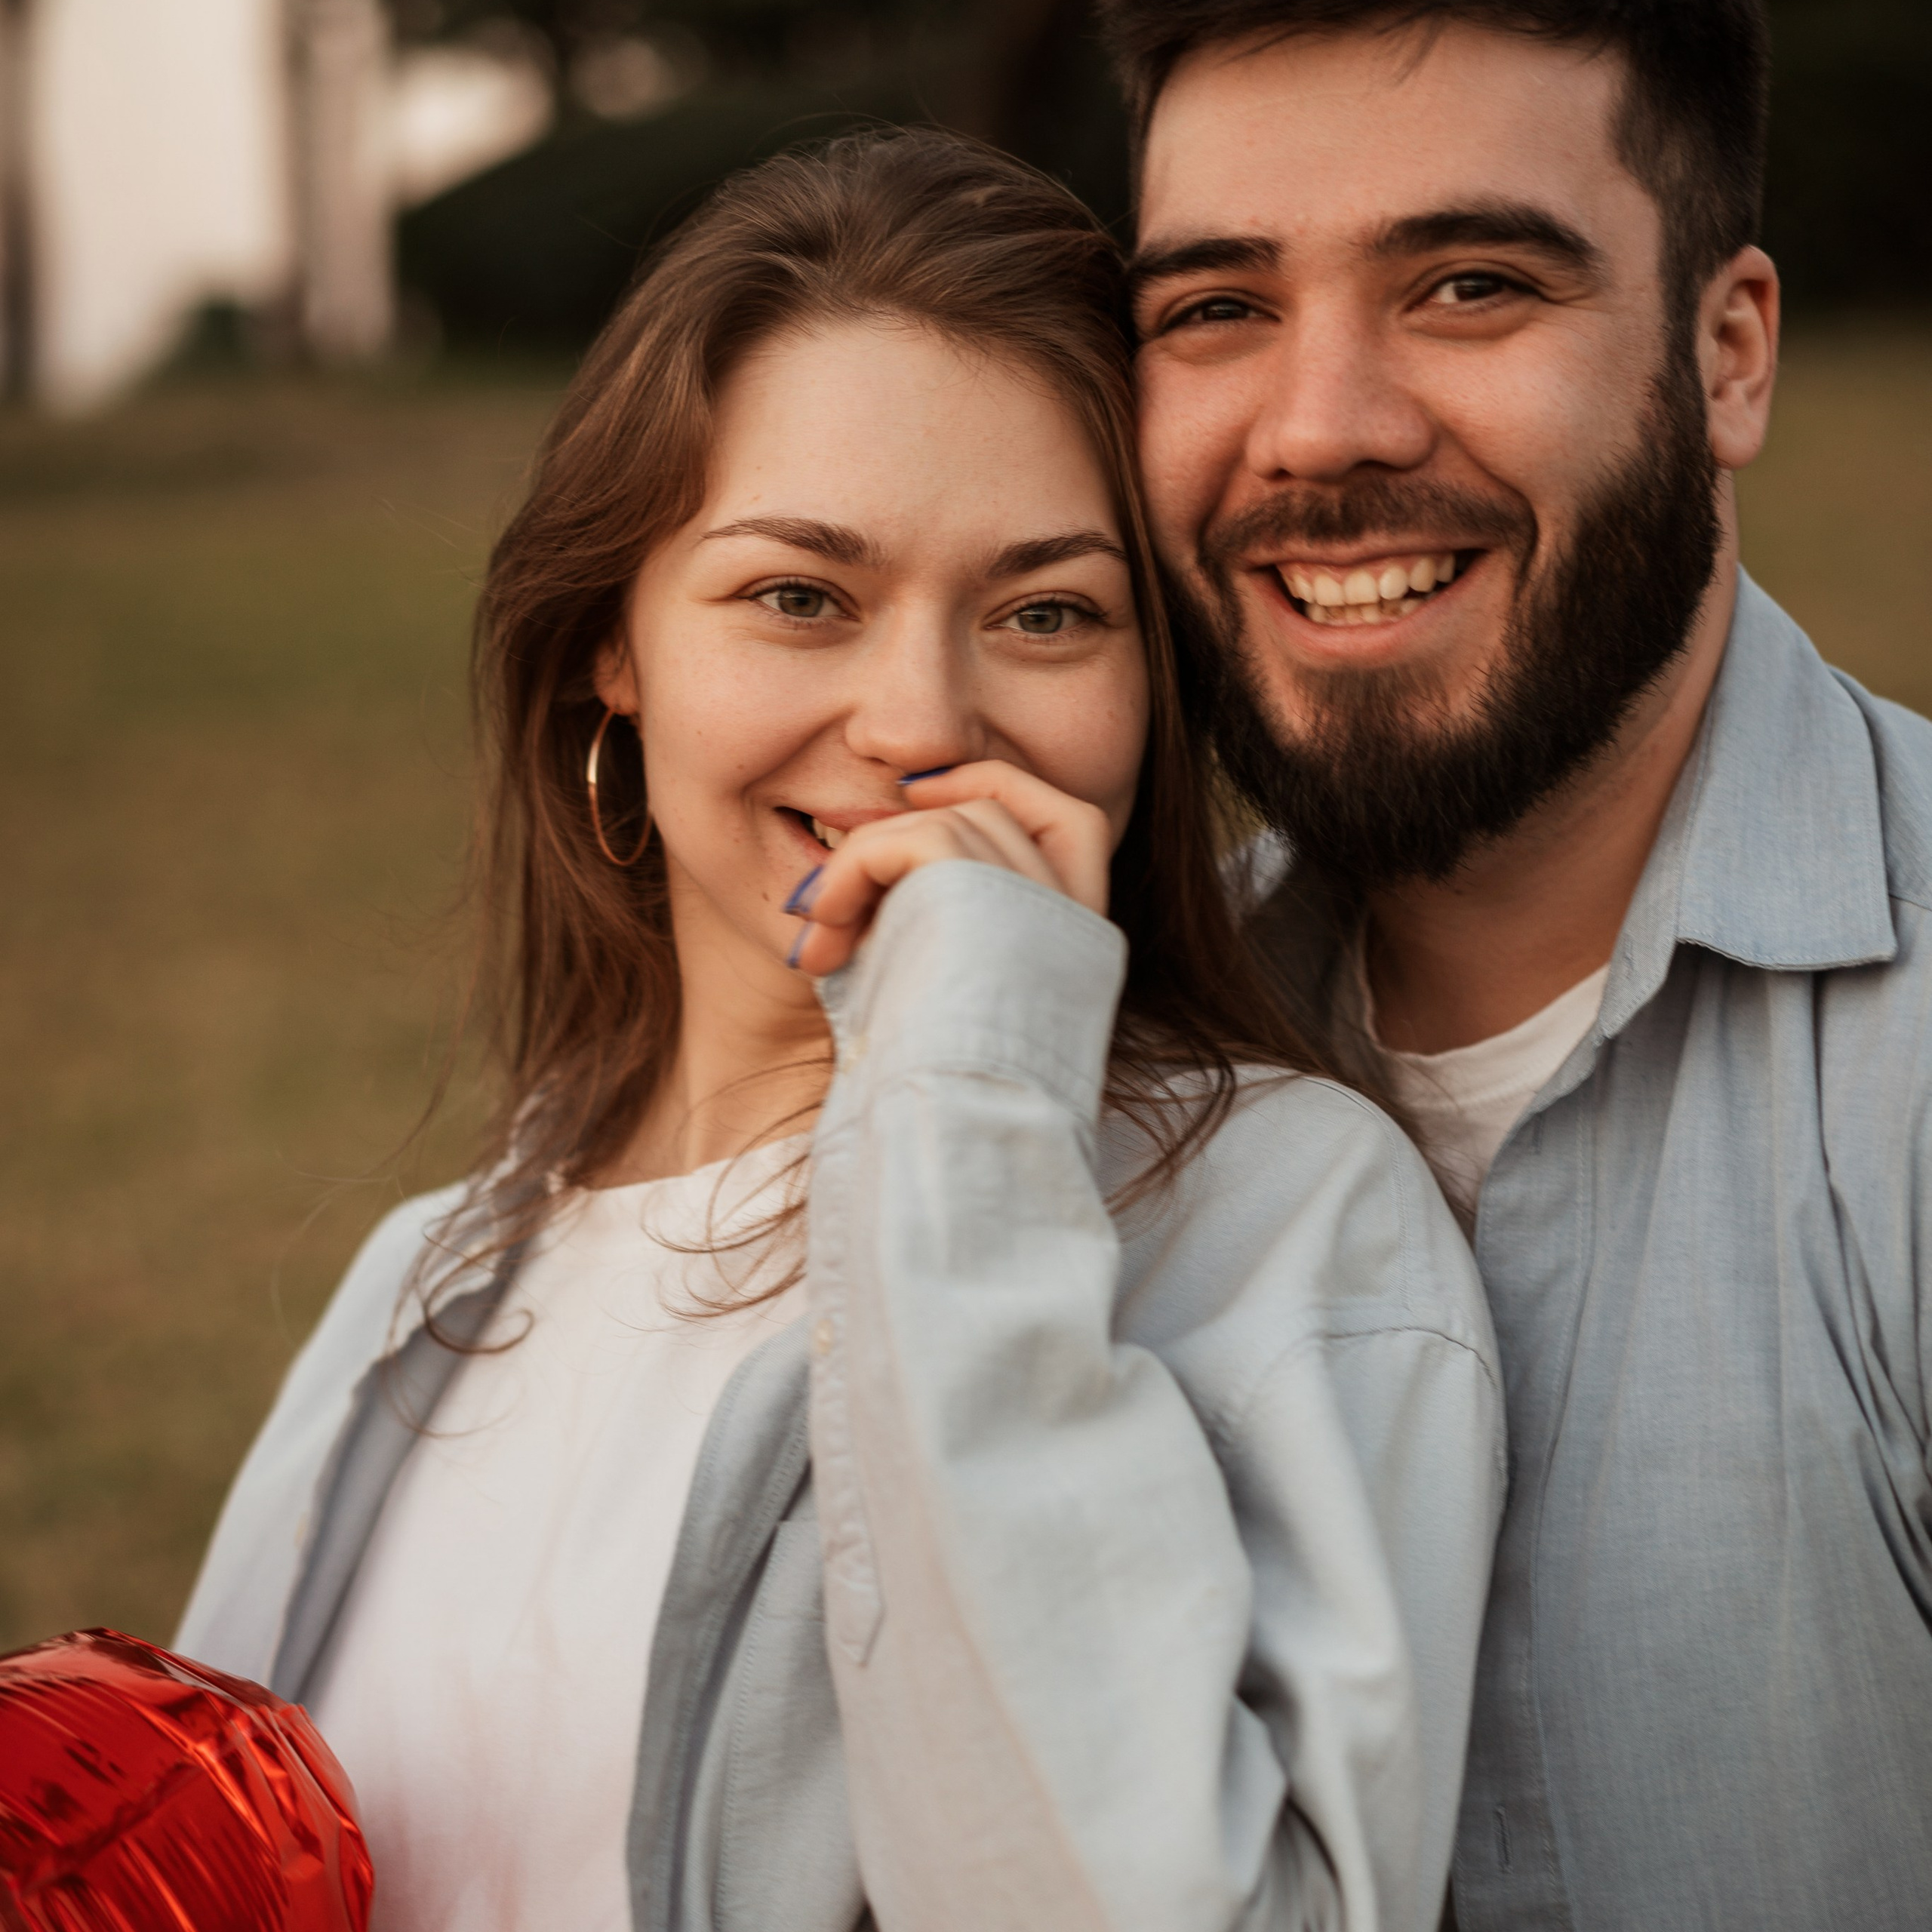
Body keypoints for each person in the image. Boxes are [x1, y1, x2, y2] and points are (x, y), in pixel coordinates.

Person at [175, 131, 1503, 1932]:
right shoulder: (431, 1278)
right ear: (612, 645)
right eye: (799, 594)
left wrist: (965, 1108)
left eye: (1045, 612)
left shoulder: (1278, 1222)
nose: (917, 716)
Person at [1098, 0, 1932, 1927]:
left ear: (1725, 355)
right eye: (1215, 308)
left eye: (1468, 285)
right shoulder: (1105, 1075)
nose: (1319, 430)